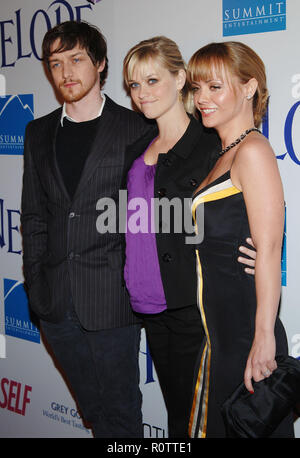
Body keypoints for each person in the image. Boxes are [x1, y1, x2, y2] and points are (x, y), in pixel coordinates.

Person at [21, 20, 151, 438]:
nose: (65, 73)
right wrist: (36, 284)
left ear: (100, 63)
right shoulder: (37, 131)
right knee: (94, 412)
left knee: (123, 416)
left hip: (113, 300)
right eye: (56, 63)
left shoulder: (136, 128)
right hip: (55, 302)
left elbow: (148, 220)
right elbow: (34, 214)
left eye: (76, 59)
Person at [122, 36, 257, 438]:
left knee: (195, 420)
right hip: (147, 305)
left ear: (180, 79)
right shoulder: (135, 146)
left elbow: (233, 206)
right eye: (133, 85)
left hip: (191, 305)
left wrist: (255, 249)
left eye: (151, 80)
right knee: (176, 414)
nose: (142, 93)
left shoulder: (208, 144)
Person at [187, 41, 294, 438]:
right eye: (197, 88)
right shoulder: (222, 154)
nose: (201, 99)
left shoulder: (252, 151)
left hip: (248, 331)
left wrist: (263, 337)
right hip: (221, 332)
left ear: (249, 88)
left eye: (214, 87)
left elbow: (268, 249)